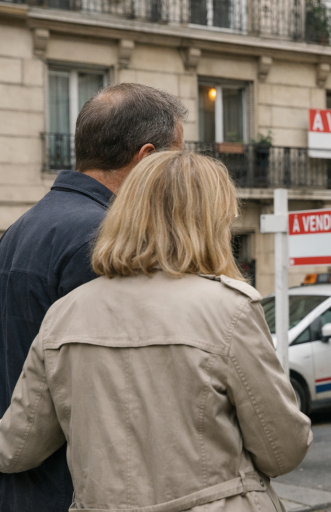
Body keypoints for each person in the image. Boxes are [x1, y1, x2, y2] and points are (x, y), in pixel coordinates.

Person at [0, 151, 312, 511]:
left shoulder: (64, 314)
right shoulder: (230, 309)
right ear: (212, 222)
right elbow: (283, 450)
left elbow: (16, 448)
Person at [0, 83, 187, 511]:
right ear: (145, 159)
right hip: (76, 486)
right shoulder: (105, 238)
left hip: (26, 481)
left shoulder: (25, 226)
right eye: (175, 157)